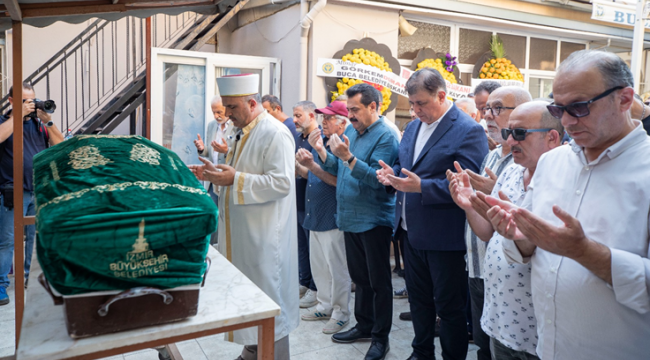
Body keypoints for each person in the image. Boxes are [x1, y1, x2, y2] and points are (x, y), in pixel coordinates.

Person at [485, 50, 650, 359]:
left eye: (578, 107)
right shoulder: (552, 162)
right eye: (558, 109)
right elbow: (526, 248)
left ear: (625, 99)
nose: (567, 121)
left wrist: (584, 252)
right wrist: (519, 236)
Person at [376, 68, 488, 360]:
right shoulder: (412, 127)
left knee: (449, 308)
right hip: (409, 230)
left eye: (421, 103)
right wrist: (392, 177)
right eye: (412, 104)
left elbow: (468, 183)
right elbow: (407, 168)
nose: (415, 110)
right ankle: (421, 352)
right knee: (419, 302)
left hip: (444, 235)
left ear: (441, 95)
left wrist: (421, 187)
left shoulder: (468, 129)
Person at [188, 74, 298, 360]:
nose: (227, 114)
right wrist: (213, 172)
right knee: (249, 301)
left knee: (269, 304)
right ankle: (252, 351)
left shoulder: (274, 133)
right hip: (243, 234)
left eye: (232, 108)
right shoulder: (242, 129)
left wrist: (234, 178)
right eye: (225, 107)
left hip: (263, 237)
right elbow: (237, 172)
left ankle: (273, 356)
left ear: (251, 102)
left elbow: (282, 183)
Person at [449, 101, 564, 359]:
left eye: (520, 133)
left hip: (537, 327)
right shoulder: (512, 171)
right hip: (500, 316)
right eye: (507, 133)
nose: (510, 141)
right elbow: (488, 234)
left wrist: (522, 233)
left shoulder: (564, 180)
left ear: (552, 137)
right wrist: (468, 205)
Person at [311, 83, 398, 360]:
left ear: (374, 107)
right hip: (348, 217)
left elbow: (379, 180)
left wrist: (348, 157)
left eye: (355, 110)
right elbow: (339, 168)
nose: (350, 116)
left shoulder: (385, 136)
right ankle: (363, 325)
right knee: (360, 279)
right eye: (348, 110)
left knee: (379, 282)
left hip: (373, 219)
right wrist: (323, 153)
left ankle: (380, 338)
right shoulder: (350, 130)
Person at [448, 86, 531, 360]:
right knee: (485, 344)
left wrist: (492, 192)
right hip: (480, 266)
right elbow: (484, 230)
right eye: (486, 109)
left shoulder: (532, 163)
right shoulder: (493, 155)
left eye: (497, 109)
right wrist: (470, 200)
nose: (488, 116)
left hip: (518, 287)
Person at [0, 82, 64, 305]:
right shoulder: (4, 121)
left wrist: (50, 121)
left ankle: (30, 278)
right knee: (7, 241)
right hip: (12, 191)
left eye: (32, 100)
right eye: (25, 101)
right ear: (11, 101)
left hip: (39, 190)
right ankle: (1, 286)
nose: (31, 104)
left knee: (35, 239)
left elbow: (60, 145)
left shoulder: (39, 124)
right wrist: (17, 117)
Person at [296, 101, 351, 334]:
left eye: (329, 118)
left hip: (332, 216)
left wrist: (317, 154)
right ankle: (325, 304)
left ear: (343, 122)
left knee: (336, 268)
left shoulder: (344, 145)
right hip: (315, 213)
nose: (323, 122)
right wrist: (301, 164)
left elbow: (338, 181)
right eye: (323, 118)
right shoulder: (325, 142)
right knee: (319, 266)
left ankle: (341, 312)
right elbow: (313, 176)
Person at [193, 96, 232, 245]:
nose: (216, 116)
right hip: (212, 182)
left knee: (226, 219)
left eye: (219, 112)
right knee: (212, 215)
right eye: (213, 112)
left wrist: (226, 150)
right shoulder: (211, 125)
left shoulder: (235, 126)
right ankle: (212, 249)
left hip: (228, 180)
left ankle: (223, 249)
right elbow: (211, 153)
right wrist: (202, 149)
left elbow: (237, 153)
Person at [292, 101, 319, 307]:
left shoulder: (317, 140)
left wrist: (297, 166)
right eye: (294, 115)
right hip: (298, 200)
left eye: (299, 115)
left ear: (312, 115)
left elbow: (317, 174)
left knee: (313, 248)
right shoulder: (298, 138)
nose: (294, 120)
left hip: (314, 203)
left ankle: (315, 288)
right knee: (301, 245)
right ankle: (304, 280)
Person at [474, 81, 502, 151]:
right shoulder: (481, 127)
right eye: (478, 109)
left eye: (485, 108)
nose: (483, 116)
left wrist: (498, 149)